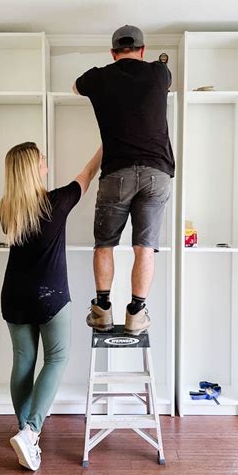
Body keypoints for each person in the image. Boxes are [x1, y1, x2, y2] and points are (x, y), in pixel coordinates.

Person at [0, 141, 102, 471]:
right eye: (42, 160)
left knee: (23, 360)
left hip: (14, 295)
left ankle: (25, 430)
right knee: (56, 358)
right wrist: (105, 145)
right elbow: (86, 175)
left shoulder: (7, 208)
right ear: (33, 169)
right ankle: (30, 432)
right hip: (50, 297)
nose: (47, 163)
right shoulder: (56, 203)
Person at [73, 25, 174, 336]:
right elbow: (162, 77)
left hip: (117, 173)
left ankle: (102, 310)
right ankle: (136, 312)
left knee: (105, 245)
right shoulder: (159, 73)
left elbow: (76, 88)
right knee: (145, 248)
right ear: (143, 51)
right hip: (156, 174)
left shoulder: (98, 77)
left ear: (113, 53)